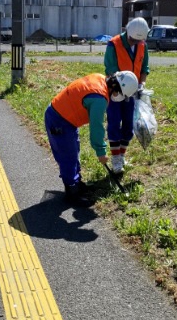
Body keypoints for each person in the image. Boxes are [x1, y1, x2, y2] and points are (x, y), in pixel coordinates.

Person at [45, 70, 139, 204]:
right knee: (68, 156)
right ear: (117, 88)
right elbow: (96, 128)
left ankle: (76, 183)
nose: (118, 96)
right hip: (59, 120)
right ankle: (72, 192)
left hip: (64, 117)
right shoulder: (99, 99)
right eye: (120, 94)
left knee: (74, 150)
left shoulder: (100, 79)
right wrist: (101, 152)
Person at [104, 18, 150, 174]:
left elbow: (144, 68)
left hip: (133, 91)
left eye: (137, 41)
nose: (134, 43)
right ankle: (115, 159)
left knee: (129, 126)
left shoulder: (142, 46)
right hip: (115, 88)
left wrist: (141, 85)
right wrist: (117, 90)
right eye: (132, 39)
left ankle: (121, 155)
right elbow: (110, 69)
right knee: (114, 124)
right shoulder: (114, 44)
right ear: (127, 32)